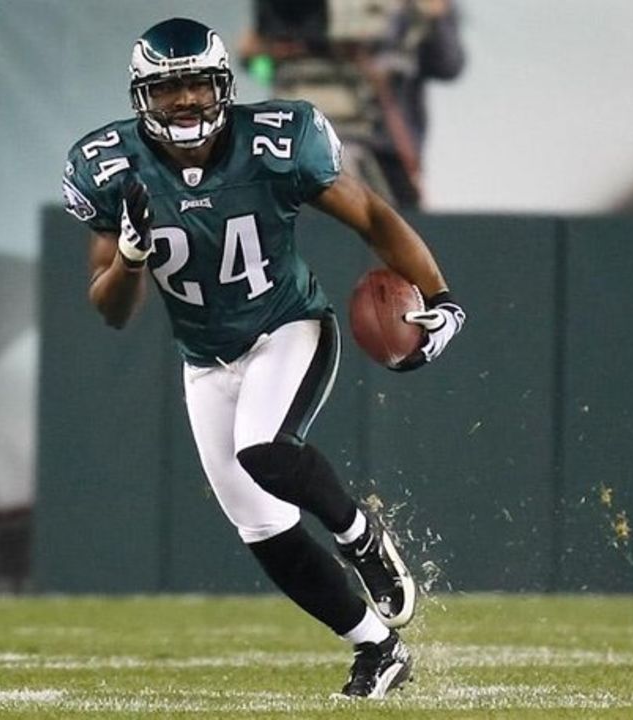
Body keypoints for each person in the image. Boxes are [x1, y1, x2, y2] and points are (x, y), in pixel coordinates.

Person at [60, 17, 465, 699]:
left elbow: (370, 215)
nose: (185, 101)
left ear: (223, 85)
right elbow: (111, 309)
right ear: (141, 98)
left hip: (288, 325)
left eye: (196, 84)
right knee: (263, 528)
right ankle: (379, 651)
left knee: (264, 448)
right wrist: (128, 260)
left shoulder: (279, 140)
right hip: (205, 355)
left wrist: (441, 296)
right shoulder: (107, 167)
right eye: (168, 89)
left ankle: (360, 536)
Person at [239, 0, 466, 208]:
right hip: (298, 143)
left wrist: (435, 15)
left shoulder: (407, 13)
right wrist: (263, 53)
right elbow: (261, 52)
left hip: (382, 148)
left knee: (392, 231)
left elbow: (447, 63)